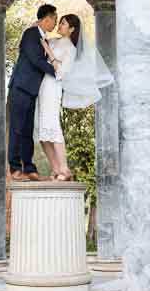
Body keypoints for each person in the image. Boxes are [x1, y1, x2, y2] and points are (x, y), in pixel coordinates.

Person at [38, 14, 114, 181]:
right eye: (60, 22)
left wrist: (49, 51)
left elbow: (62, 72)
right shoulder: (53, 41)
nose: (60, 25)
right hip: (43, 86)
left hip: (54, 87)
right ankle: (56, 169)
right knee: (41, 132)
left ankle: (64, 169)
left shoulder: (71, 49)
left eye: (63, 23)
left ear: (72, 29)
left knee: (52, 125)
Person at [8, 4, 60, 180]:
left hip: (31, 91)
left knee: (27, 131)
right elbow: (36, 60)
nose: (55, 24)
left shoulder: (42, 37)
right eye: (54, 20)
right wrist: (58, 71)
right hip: (21, 87)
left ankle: (29, 168)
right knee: (17, 129)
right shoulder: (31, 34)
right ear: (46, 19)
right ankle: (15, 168)